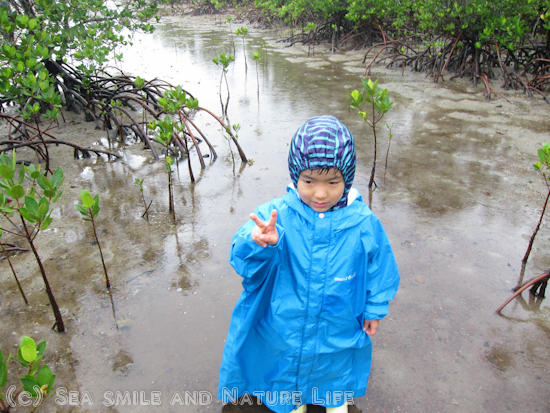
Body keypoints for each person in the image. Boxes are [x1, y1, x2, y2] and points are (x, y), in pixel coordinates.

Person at [219, 115, 400, 413]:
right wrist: (258, 241)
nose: (320, 193)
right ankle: (294, 402)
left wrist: (375, 309)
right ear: (294, 176)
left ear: (347, 178)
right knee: (287, 367)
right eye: (309, 181)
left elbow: (380, 270)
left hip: (337, 326)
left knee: (334, 367)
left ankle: (334, 401)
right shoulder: (277, 214)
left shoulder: (363, 223)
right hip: (285, 325)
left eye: (332, 182)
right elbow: (242, 260)